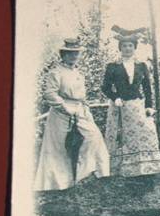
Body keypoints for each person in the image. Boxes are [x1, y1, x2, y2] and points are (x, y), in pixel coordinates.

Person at [33, 38, 111, 191]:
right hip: (61, 114)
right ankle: (58, 185)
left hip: (80, 110)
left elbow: (80, 95)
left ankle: (86, 177)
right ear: (63, 55)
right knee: (61, 148)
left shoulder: (77, 73)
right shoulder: (55, 73)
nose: (73, 56)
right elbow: (49, 94)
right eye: (69, 54)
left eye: (76, 53)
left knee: (94, 138)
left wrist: (84, 107)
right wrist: (64, 107)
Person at [101, 27, 160, 176]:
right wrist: (115, 97)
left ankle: (144, 168)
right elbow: (105, 87)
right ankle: (120, 168)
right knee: (122, 135)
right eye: (124, 46)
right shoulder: (113, 66)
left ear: (135, 47)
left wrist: (149, 106)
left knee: (146, 131)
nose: (127, 49)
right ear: (120, 48)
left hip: (137, 104)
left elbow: (147, 88)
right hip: (120, 106)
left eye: (130, 46)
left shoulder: (141, 65)